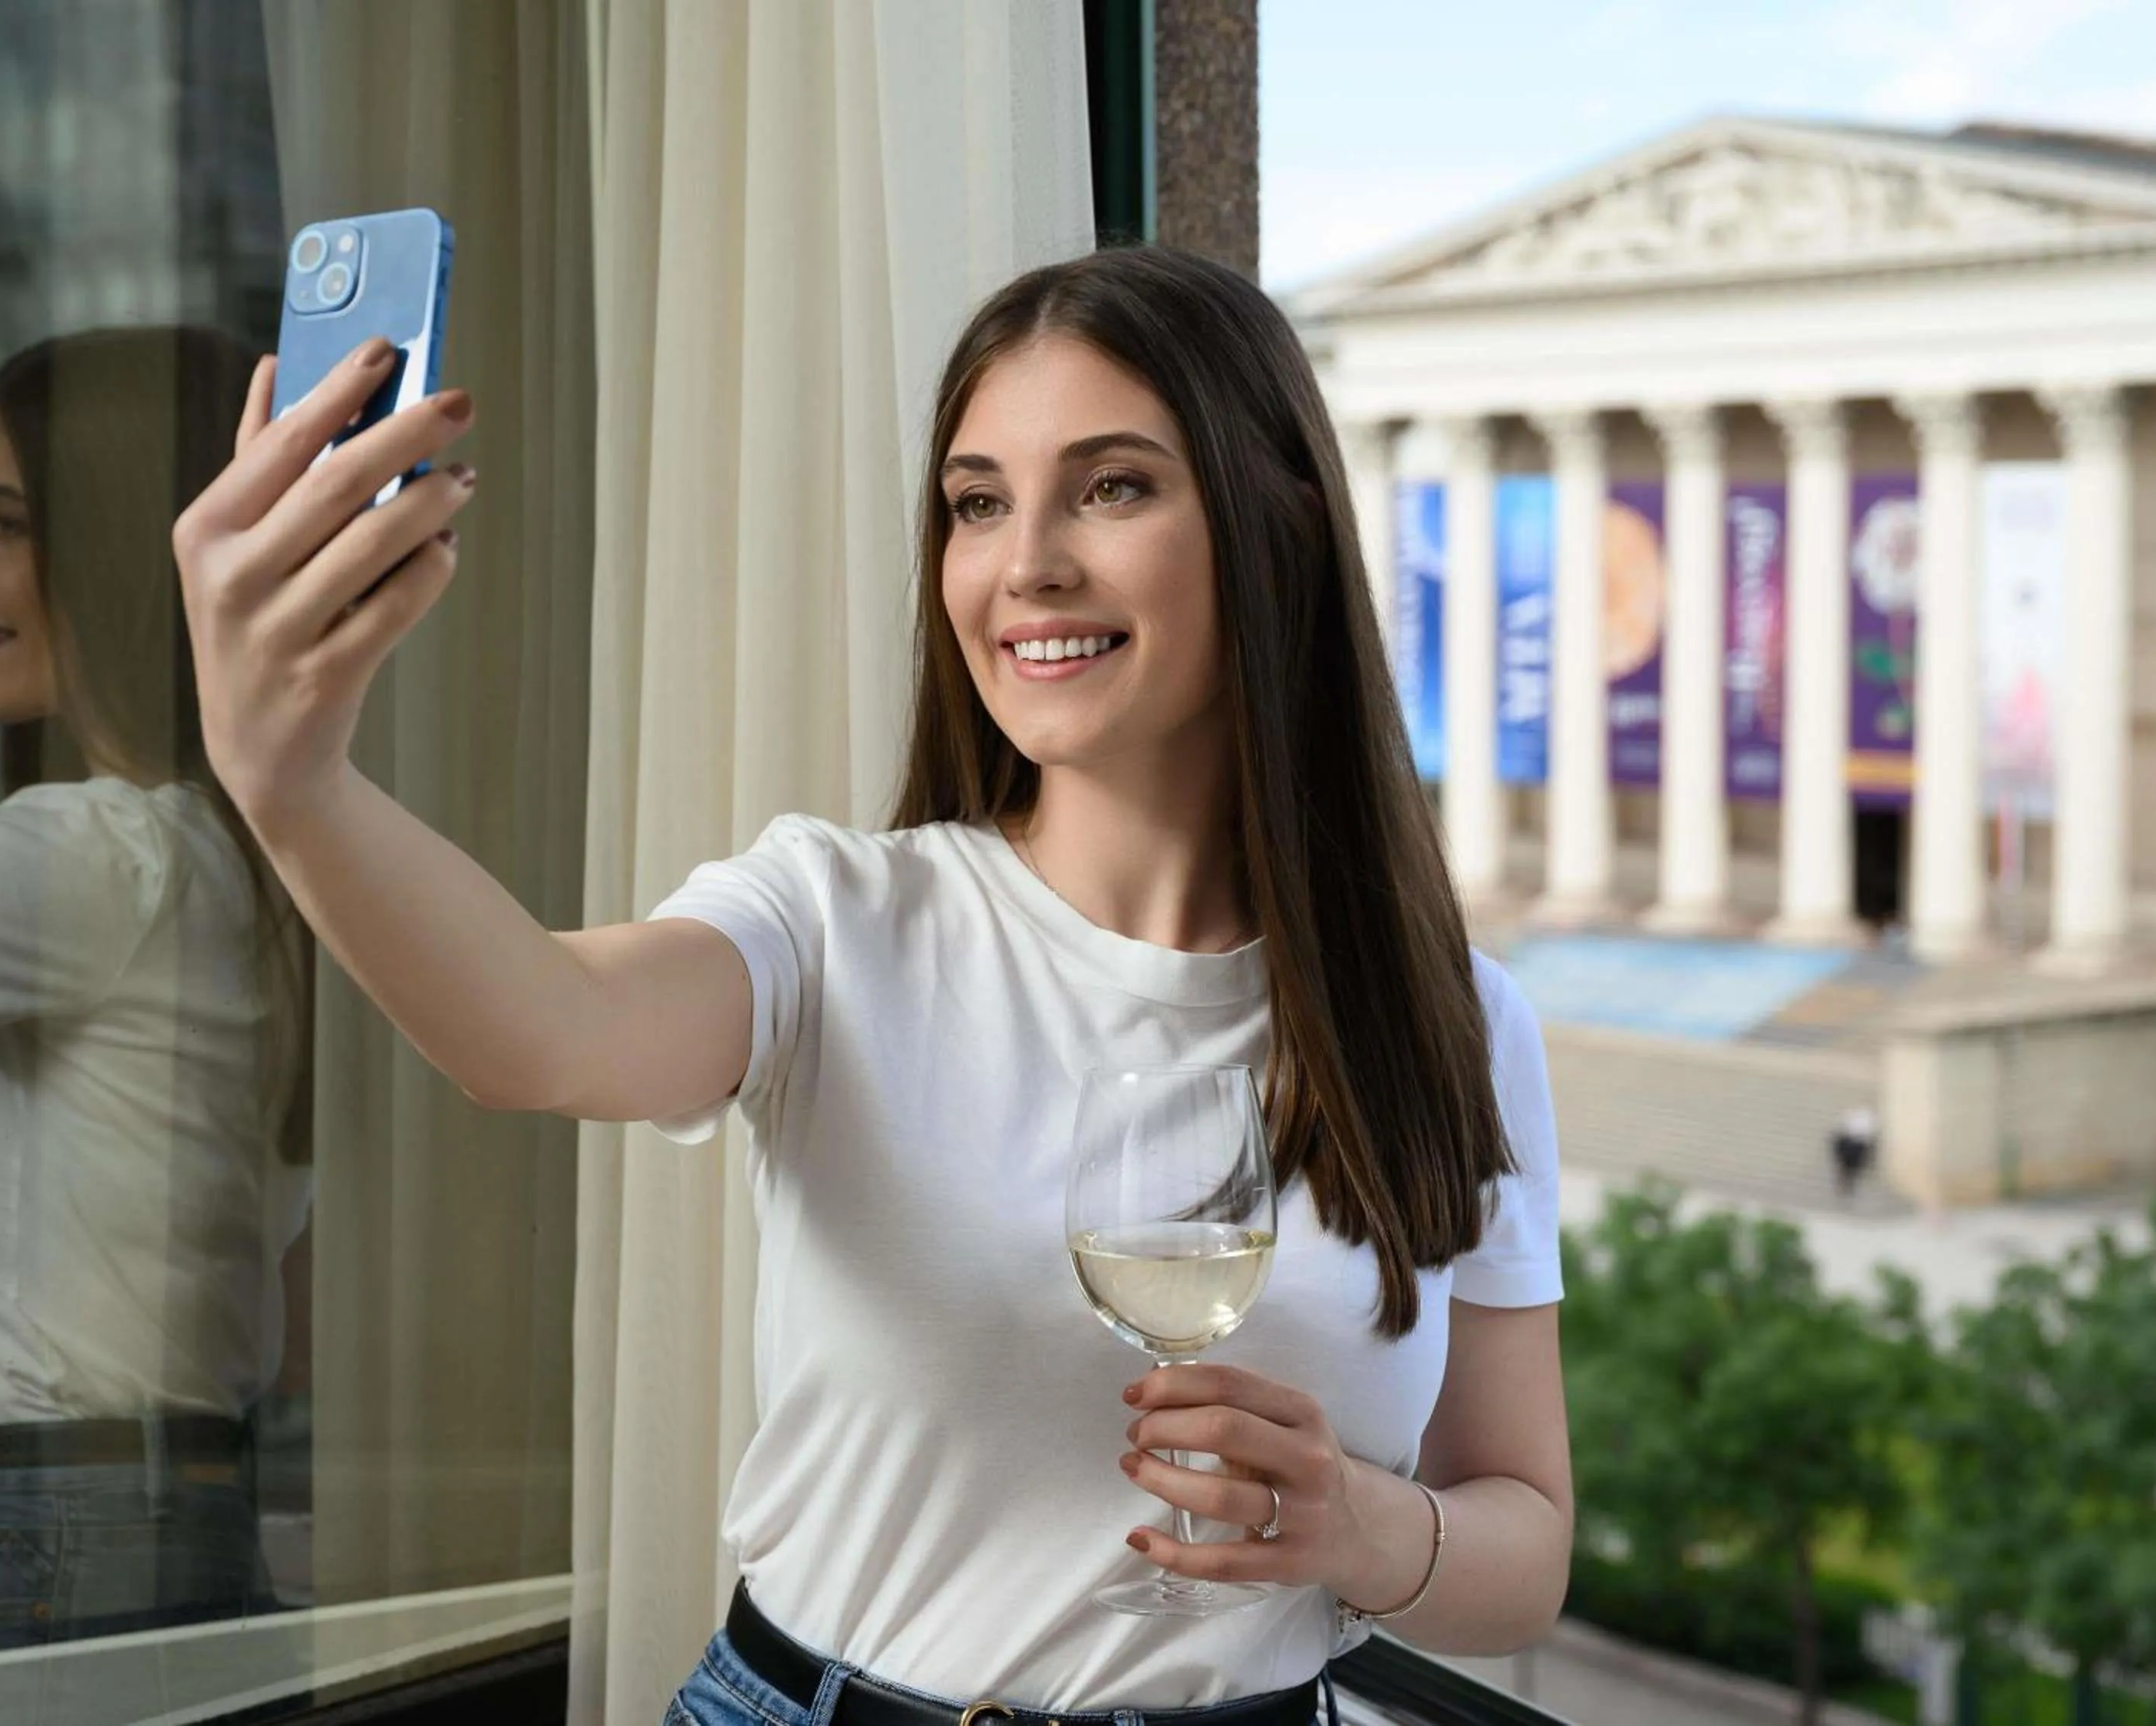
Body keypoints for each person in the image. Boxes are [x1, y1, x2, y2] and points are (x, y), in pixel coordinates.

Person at [171, 246, 1571, 1725]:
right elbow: (539, 1035)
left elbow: (1525, 1537)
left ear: (1276, 516)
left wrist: (1363, 1526)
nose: (1025, 560)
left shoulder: (1456, 1023)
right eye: (977, 502)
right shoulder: (836, 919)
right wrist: (295, 787)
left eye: (1111, 486)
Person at [0, 326, 312, 1652]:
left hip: (47, 1519)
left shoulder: (107, 856)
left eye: (10, 521)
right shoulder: (236, 856)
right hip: (156, 1505)